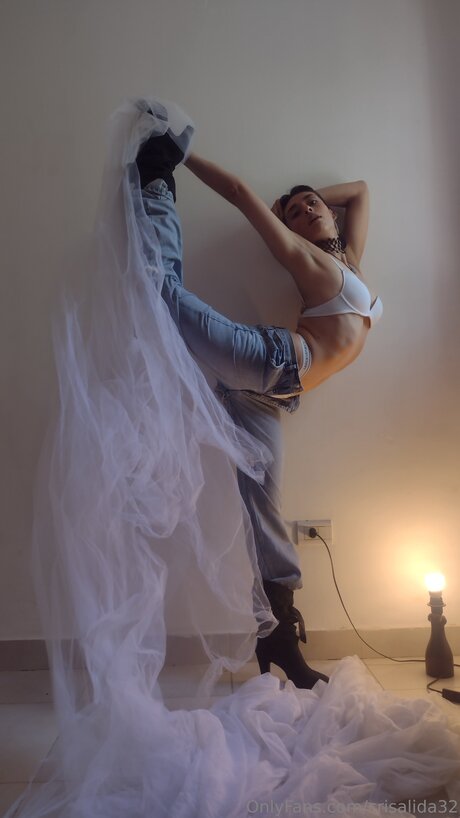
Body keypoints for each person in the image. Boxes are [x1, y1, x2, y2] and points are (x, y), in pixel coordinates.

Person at [136, 100, 382, 689]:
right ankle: (155, 183)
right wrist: (183, 155)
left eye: (313, 204)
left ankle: (277, 640)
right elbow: (241, 193)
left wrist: (306, 202)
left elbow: (360, 191)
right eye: (295, 211)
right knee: (162, 297)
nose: (307, 209)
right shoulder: (306, 259)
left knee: (263, 509)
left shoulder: (350, 260)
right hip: (271, 361)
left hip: (271, 396)